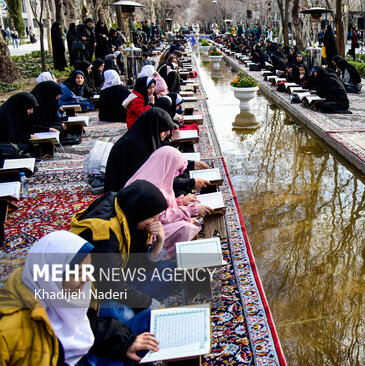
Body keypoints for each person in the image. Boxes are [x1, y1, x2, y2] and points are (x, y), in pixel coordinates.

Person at [0, 231, 158, 365]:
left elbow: (89, 323)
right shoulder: (8, 332)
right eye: (79, 272)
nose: (87, 278)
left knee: (150, 318)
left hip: (90, 352)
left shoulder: (60, 289)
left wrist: (125, 342)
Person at [71, 180, 181, 321]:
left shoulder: (126, 210)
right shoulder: (105, 234)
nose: (156, 222)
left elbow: (139, 262)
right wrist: (147, 303)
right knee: (124, 314)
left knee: (174, 270)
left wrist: (160, 240)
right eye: (152, 217)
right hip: (99, 291)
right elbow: (112, 286)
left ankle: (138, 296)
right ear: (139, 212)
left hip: (122, 274)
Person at [125, 147, 213, 259]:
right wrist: (190, 210)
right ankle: (163, 253)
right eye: (176, 170)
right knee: (185, 228)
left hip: (151, 223)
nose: (176, 174)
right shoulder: (151, 186)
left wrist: (180, 202)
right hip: (143, 231)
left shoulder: (156, 174)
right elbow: (158, 217)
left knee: (187, 220)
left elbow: (163, 206)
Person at [104, 107, 174, 193]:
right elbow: (153, 177)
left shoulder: (144, 139)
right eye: (164, 130)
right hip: (125, 193)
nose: (167, 133)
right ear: (154, 128)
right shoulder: (133, 147)